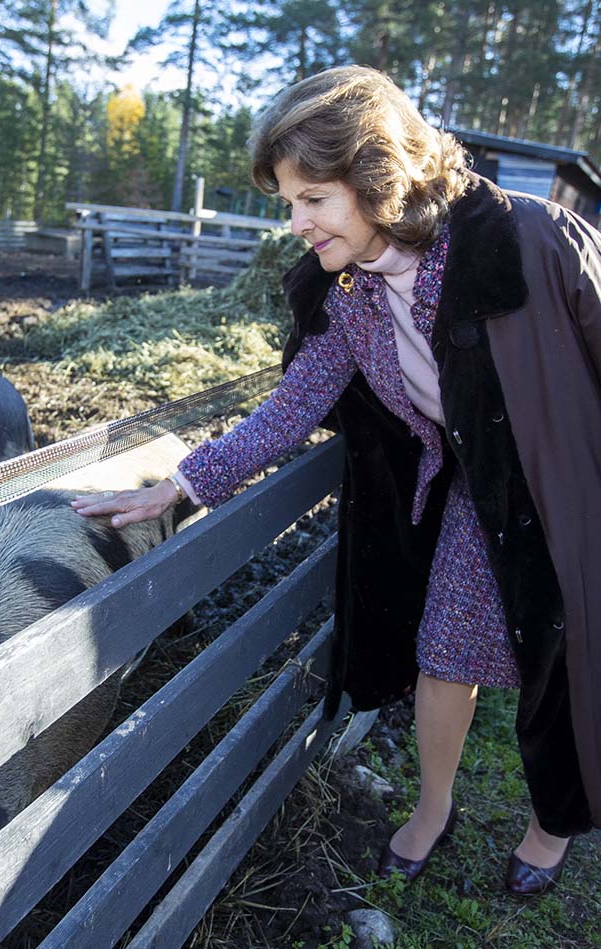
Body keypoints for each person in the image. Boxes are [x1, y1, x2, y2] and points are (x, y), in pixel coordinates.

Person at [71, 65, 601, 895]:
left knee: (571, 658)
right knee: (443, 650)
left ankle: (552, 823)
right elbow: (290, 411)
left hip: (572, 489)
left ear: (375, 177)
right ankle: (433, 807)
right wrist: (181, 483)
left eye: (311, 198)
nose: (296, 223)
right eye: (289, 201)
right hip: (477, 487)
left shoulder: (533, 243)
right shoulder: (349, 291)